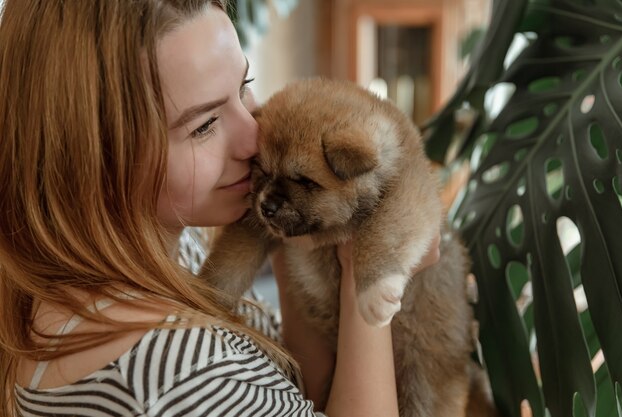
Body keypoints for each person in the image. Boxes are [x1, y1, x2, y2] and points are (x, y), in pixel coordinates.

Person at [0, 1, 440, 416]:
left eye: (244, 87)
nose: (252, 136)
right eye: (204, 125)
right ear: (97, 156)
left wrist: (295, 232)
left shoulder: (167, 255)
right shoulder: (170, 372)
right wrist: (367, 270)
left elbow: (298, 388)